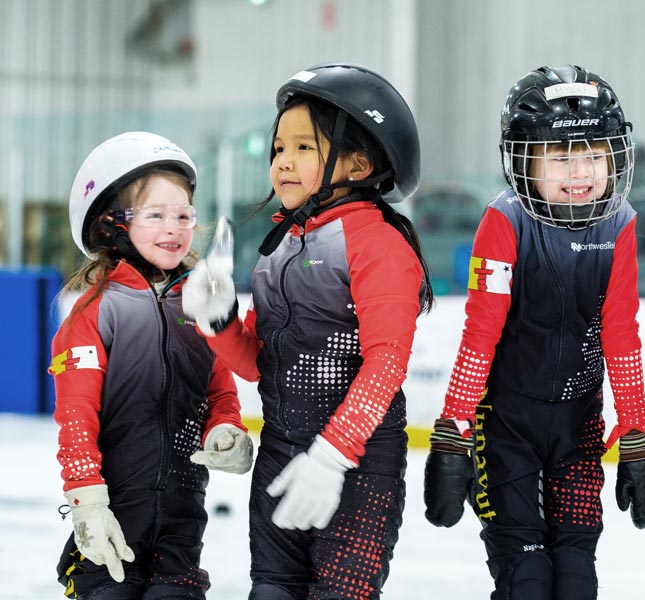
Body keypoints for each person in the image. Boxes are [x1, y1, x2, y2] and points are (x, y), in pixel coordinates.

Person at [181, 62, 434, 599]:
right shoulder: (280, 248)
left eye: (303, 147)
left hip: (359, 467)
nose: (283, 162)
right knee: (271, 589)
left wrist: (332, 455)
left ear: (359, 164)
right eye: (278, 150)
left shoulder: (379, 244)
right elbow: (257, 361)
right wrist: (218, 321)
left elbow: (386, 364)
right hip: (280, 450)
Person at [422, 64, 645, 600]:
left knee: (576, 576)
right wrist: (451, 432)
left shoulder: (619, 223)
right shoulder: (503, 222)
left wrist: (637, 437)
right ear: (524, 162)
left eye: (594, 154)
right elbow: (481, 333)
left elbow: (621, 335)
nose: (580, 170)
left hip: (579, 427)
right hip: (504, 426)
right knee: (525, 577)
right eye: (559, 156)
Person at [51, 131, 252, 599]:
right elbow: (76, 416)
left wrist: (225, 430)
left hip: (182, 521)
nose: (174, 228)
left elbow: (219, 390)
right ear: (111, 226)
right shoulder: (93, 313)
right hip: (112, 517)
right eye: (156, 215)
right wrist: (86, 501)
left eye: (183, 215)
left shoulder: (203, 306)